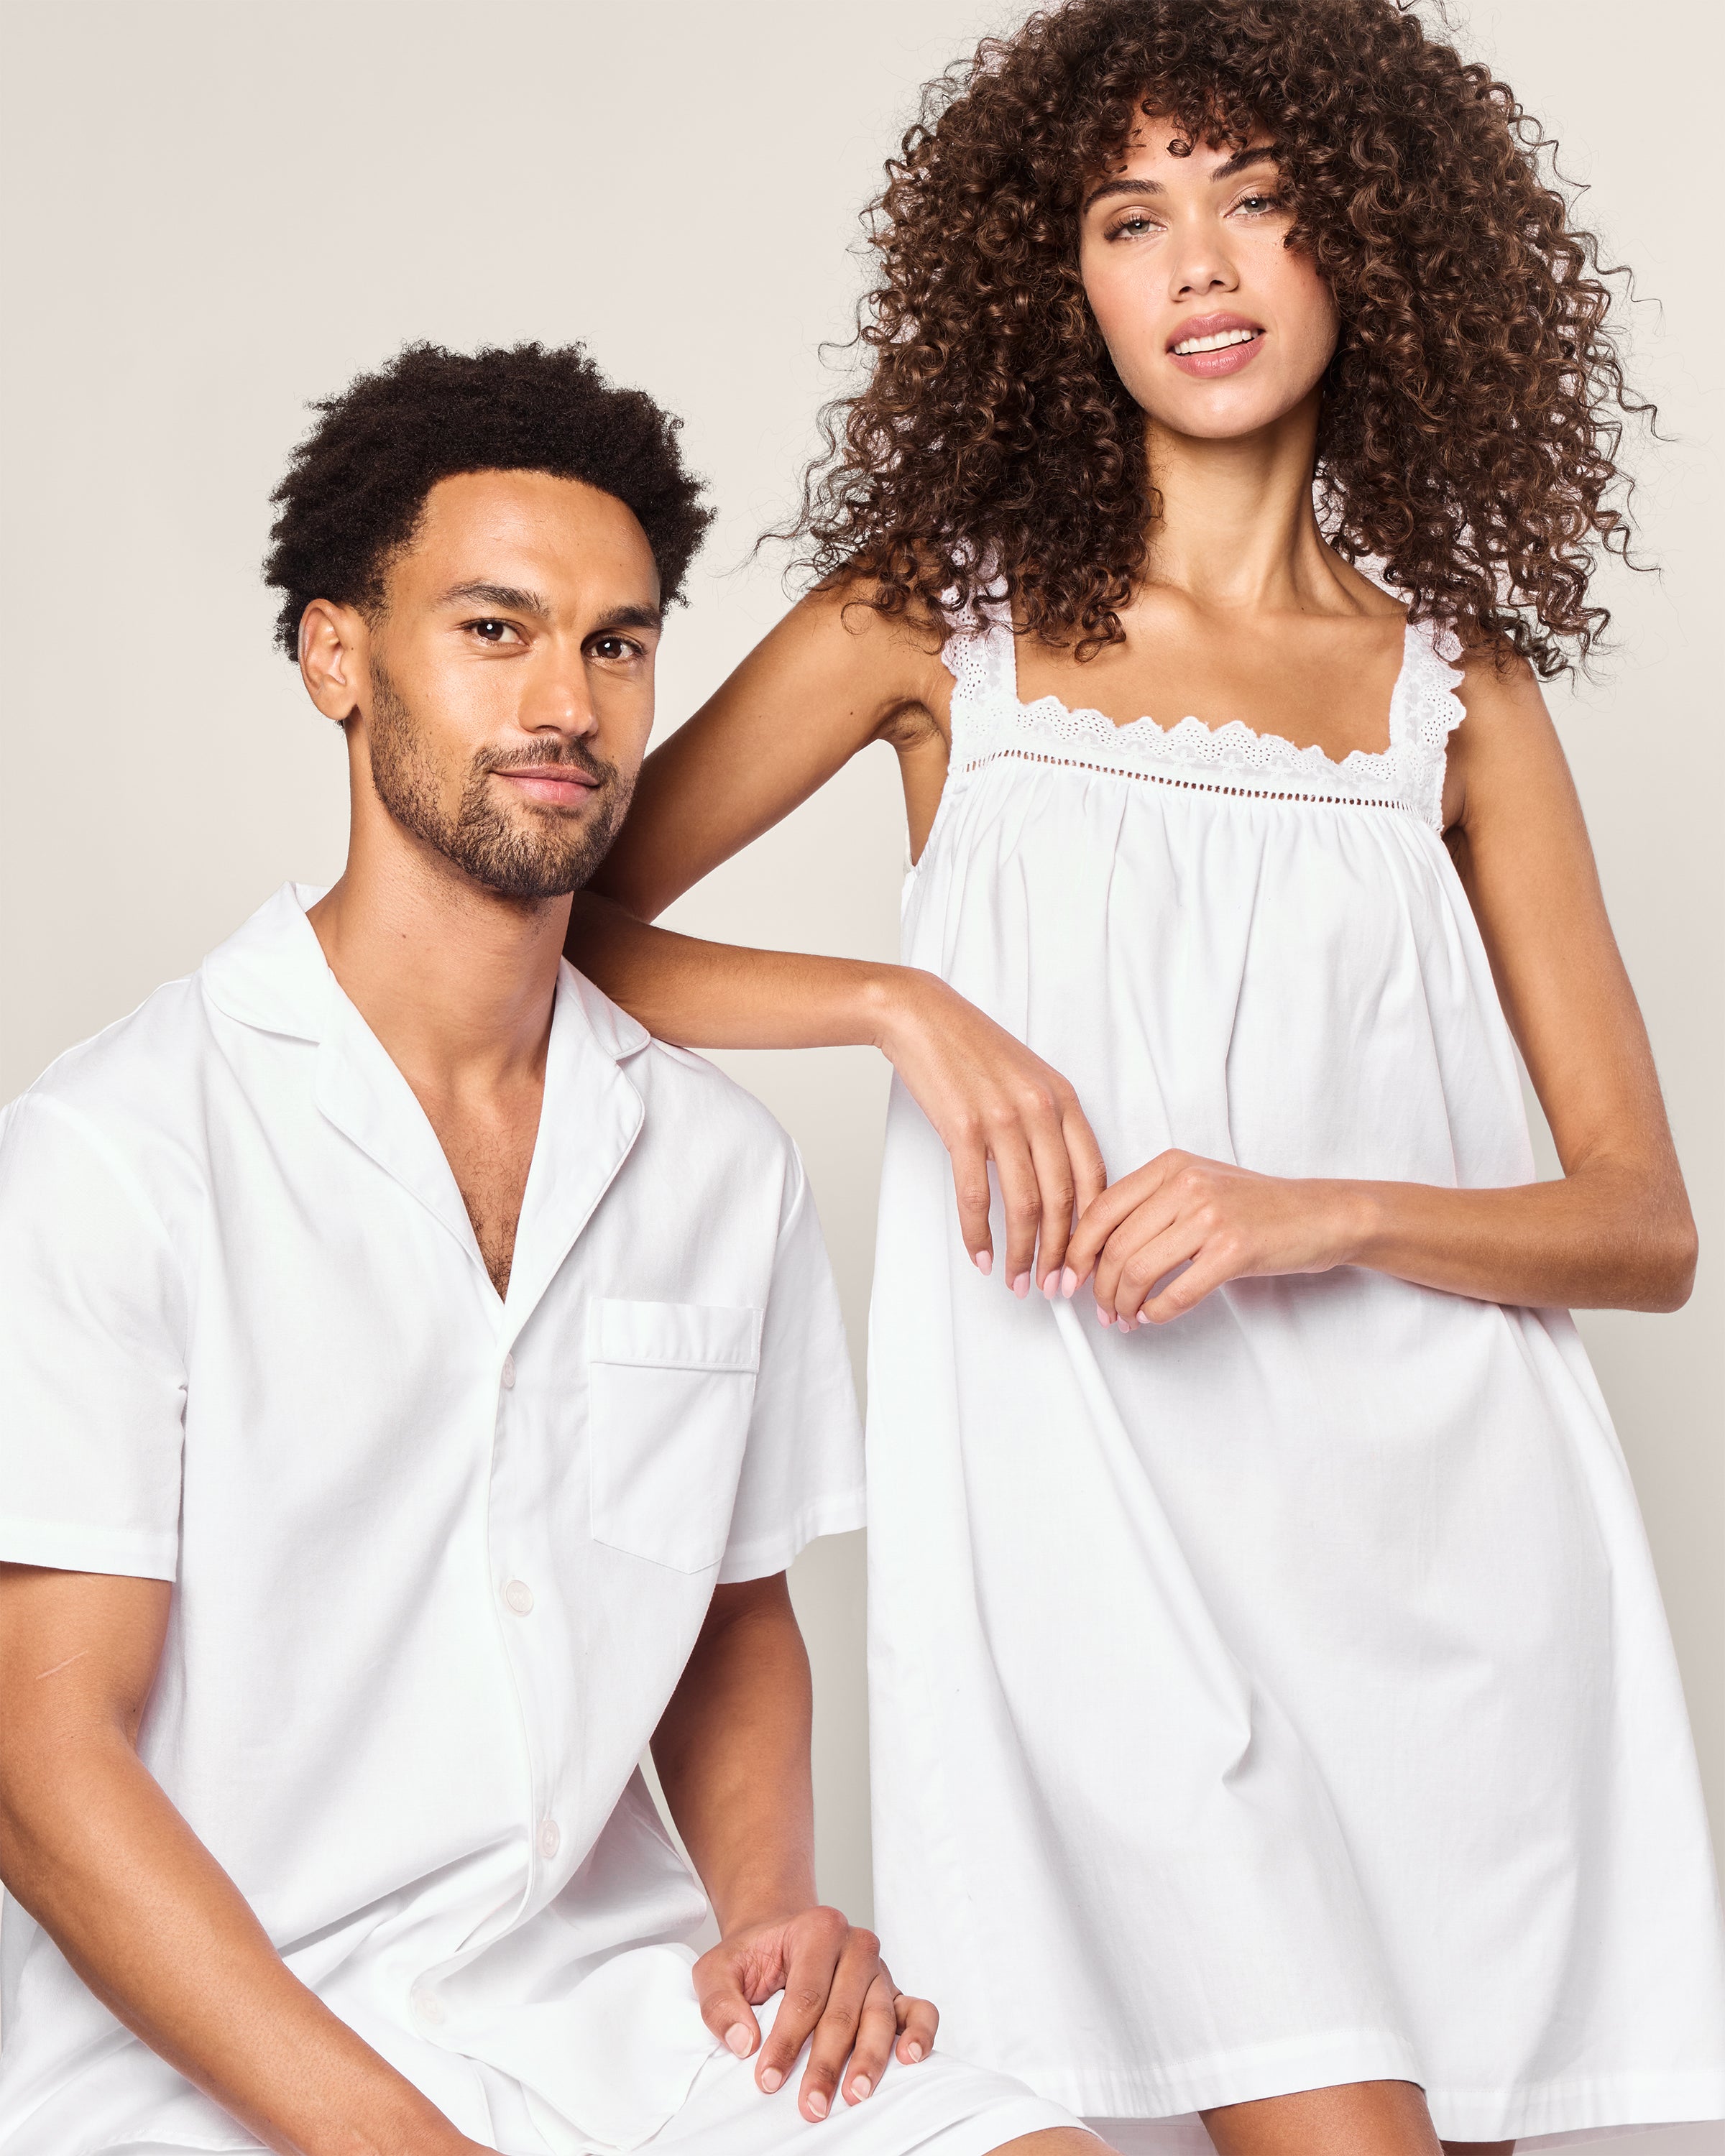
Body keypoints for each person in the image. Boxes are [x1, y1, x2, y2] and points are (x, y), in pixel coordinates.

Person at [558, 4, 1725, 2154]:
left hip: (1447, 1567)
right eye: (1133, 216)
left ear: (1373, 244)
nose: (1198, 266)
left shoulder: (1456, 699)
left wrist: (1325, 1207)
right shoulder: (938, 626)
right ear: (1055, 281)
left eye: (1257, 202)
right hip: (1096, 1550)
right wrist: (904, 1009)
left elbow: (1642, 1225)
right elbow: (554, 930)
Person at [0, 344, 1095, 2156]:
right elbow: (42, 1770)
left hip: (612, 2012)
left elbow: (735, 1619)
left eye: (616, 641)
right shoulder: (115, 1156)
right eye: (494, 630)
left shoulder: (715, 1166)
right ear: (336, 657)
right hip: (214, 2054)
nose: (568, 702)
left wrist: (769, 1928)